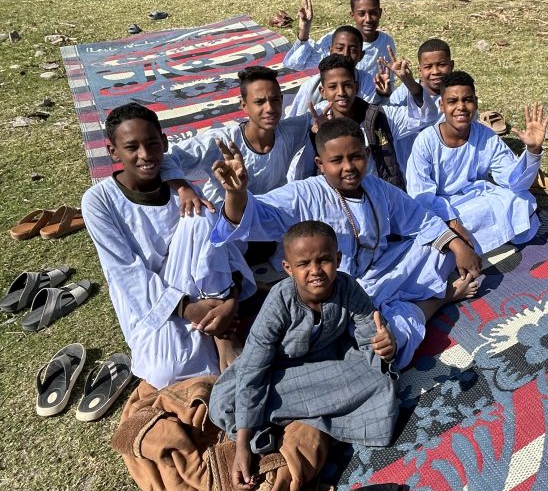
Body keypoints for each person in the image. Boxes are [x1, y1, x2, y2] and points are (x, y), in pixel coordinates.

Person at [210, 117, 482, 370]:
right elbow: (256, 215)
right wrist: (236, 194)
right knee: (378, 346)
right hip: (337, 291)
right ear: (320, 164)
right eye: (336, 160)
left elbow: (419, 218)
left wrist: (457, 246)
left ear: (366, 155)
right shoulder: (305, 194)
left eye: (355, 157)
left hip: (382, 270)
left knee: (445, 251)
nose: (348, 167)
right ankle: (439, 299)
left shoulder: (376, 187)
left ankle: (414, 301)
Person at [208, 221, 401, 491]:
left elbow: (372, 345)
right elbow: (254, 369)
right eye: (304, 264)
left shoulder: (349, 289)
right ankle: (306, 420)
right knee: (224, 401)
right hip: (276, 374)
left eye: (324, 260)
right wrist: (241, 446)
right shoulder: (279, 302)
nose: (315, 271)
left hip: (327, 369)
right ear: (288, 269)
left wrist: (385, 348)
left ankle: (285, 421)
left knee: (382, 381)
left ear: (338, 259)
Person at [81, 103, 255, 389]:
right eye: (132, 147)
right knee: (166, 374)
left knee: (202, 216)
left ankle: (224, 337)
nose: (146, 155)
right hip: (155, 304)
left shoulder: (182, 192)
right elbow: (126, 273)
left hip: (204, 290)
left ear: (163, 142)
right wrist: (188, 309)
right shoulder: (99, 201)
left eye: (152, 144)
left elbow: (218, 248)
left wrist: (231, 300)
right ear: (114, 152)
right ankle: (215, 326)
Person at [406, 71, 548, 252]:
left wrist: (533, 150)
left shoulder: (485, 135)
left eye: (467, 100)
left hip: (478, 199)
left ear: (475, 102)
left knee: (522, 200)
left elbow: (514, 181)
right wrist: (451, 221)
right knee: (442, 227)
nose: (461, 107)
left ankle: (476, 243)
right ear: (442, 105)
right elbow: (420, 195)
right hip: (444, 208)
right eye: (452, 101)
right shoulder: (426, 141)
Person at [159, 66, 314, 212]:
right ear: (244, 105)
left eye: (275, 100)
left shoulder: (289, 132)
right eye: (259, 102)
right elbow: (165, 158)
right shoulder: (222, 142)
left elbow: (319, 114)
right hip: (222, 218)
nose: (270, 109)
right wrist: (184, 189)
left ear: (281, 99)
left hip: (267, 215)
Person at [314, 53, 433, 189]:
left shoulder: (379, 117)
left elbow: (425, 116)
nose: (341, 92)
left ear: (356, 86)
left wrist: (410, 83)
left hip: (383, 198)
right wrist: (319, 134)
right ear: (322, 91)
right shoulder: (315, 121)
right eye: (333, 87)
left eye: (347, 85)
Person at [282, 0, 396, 76]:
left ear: (380, 13)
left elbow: (388, 80)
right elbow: (294, 64)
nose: (368, 19)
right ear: (352, 15)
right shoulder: (338, 39)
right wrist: (304, 30)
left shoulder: (386, 43)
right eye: (361, 14)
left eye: (373, 13)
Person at [287, 24, 385, 115]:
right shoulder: (310, 87)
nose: (345, 54)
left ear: (361, 56)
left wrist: (384, 95)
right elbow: (295, 122)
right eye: (339, 48)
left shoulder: (367, 81)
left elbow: (371, 116)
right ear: (330, 51)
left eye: (353, 50)